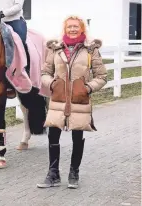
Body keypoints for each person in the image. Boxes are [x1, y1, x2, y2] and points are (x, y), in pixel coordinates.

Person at [37, 15, 107, 189]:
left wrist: (88, 88)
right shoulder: (55, 49)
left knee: (77, 136)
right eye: (69, 27)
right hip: (58, 100)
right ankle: (53, 174)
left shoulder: (91, 50)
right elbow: (44, 73)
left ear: (82, 28)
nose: (73, 29)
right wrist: (52, 83)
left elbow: (102, 76)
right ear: (65, 29)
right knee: (53, 135)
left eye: (76, 26)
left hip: (79, 101)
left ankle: (73, 173)